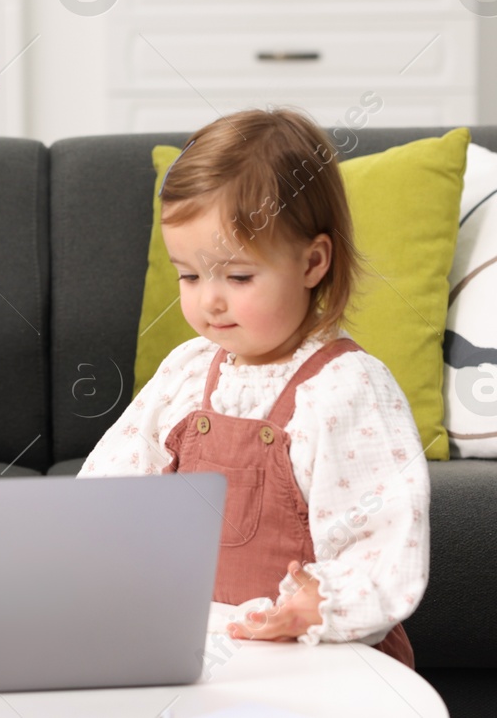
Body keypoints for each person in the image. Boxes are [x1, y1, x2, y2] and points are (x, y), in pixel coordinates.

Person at [81, 108, 427, 668]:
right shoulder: (188, 370)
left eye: (237, 276)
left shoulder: (348, 388)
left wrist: (319, 607)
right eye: (189, 276)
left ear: (313, 262)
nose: (208, 300)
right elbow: (112, 487)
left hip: (318, 655)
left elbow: (384, 538)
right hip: (207, 647)